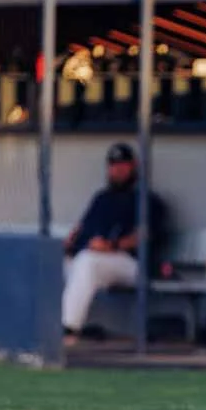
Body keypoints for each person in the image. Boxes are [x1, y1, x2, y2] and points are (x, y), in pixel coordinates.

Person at [62, 142, 168, 344]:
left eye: (122, 165)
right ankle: (39, 329)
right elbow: (82, 232)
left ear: (133, 166)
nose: (117, 170)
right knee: (51, 263)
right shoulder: (101, 198)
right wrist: (69, 246)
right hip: (96, 261)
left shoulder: (148, 200)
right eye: (113, 165)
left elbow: (144, 236)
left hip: (131, 264)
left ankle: (68, 329)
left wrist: (112, 246)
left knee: (88, 262)